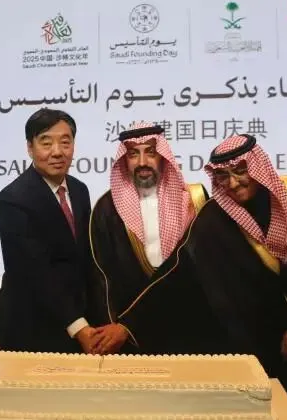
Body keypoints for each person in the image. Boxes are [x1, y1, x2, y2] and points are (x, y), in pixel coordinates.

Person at [188, 134, 287, 420]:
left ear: (257, 166)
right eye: (223, 176)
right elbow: (194, 281)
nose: (234, 183)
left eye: (240, 171)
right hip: (253, 353)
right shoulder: (211, 220)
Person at [88, 121, 222, 355]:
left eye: (150, 152)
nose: (142, 162)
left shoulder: (194, 199)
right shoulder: (107, 208)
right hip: (131, 336)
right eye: (133, 154)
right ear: (124, 160)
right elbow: (103, 279)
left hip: (191, 328)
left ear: (162, 156)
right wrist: (113, 331)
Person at [0, 108, 96, 354]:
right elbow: (35, 272)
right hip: (32, 327)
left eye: (65, 142)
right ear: (30, 148)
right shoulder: (13, 199)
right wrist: (79, 327)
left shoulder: (79, 190)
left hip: (77, 320)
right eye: (46, 143)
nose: (57, 152)